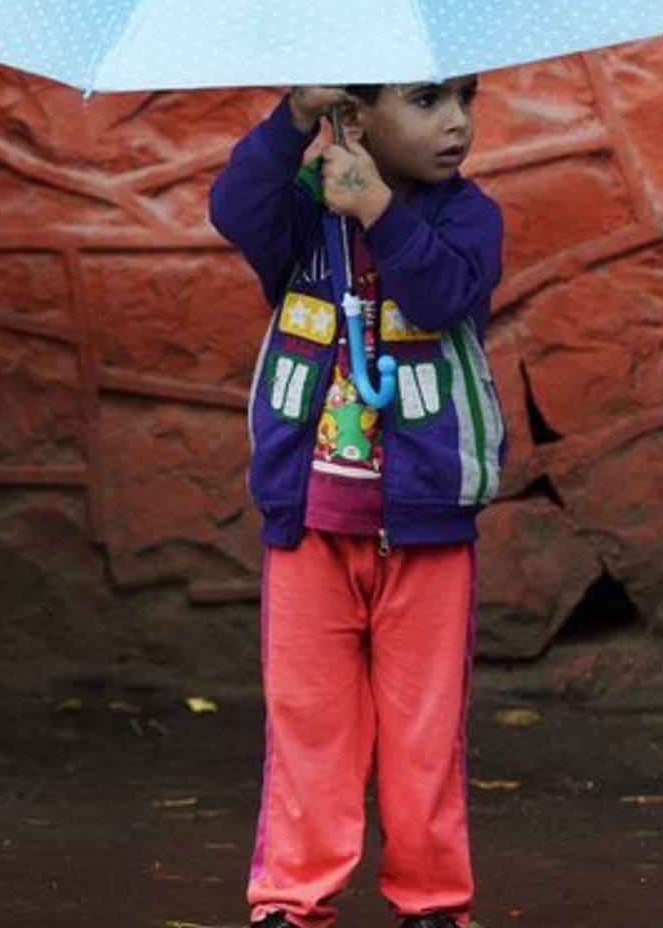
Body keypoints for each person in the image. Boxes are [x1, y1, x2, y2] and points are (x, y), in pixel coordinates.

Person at [208, 78, 506, 928]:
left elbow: (444, 294)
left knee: (424, 732)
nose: (456, 122)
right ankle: (292, 900)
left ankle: (432, 904)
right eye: (425, 101)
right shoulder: (305, 213)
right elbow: (234, 208)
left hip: (427, 527)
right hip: (309, 523)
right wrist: (294, 119)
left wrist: (379, 207)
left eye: (464, 98)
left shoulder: (468, 217)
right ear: (355, 118)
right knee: (309, 723)